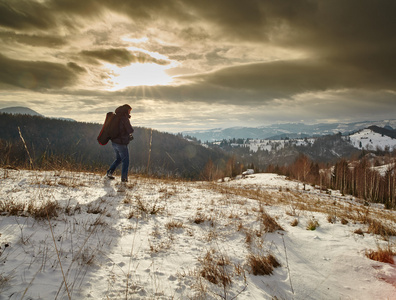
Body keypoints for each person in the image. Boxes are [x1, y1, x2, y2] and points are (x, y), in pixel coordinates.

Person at [106, 104, 134, 183]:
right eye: (129, 110)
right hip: (121, 143)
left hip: (114, 142)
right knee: (126, 161)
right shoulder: (124, 118)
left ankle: (109, 173)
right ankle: (124, 179)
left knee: (119, 159)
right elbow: (130, 130)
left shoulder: (115, 117)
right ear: (126, 110)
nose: (130, 112)